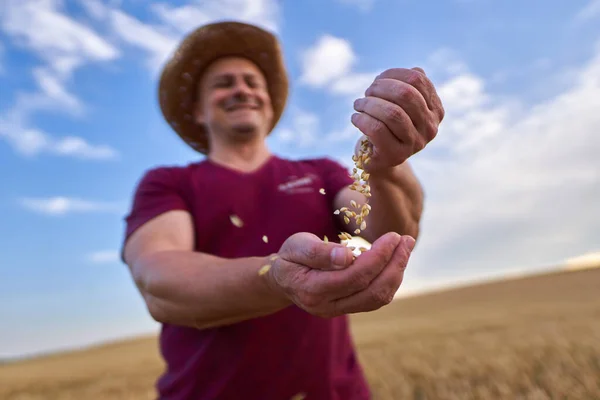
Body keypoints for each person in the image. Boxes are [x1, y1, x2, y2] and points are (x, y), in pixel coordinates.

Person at [121, 20, 444, 400]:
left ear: (269, 102)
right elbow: (160, 280)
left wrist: (386, 164)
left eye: (253, 82)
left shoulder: (318, 173)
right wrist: (273, 277)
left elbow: (379, 230)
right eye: (224, 83)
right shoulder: (169, 183)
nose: (242, 90)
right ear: (197, 111)